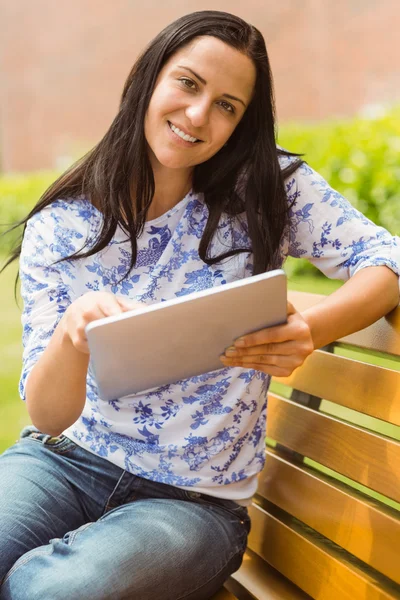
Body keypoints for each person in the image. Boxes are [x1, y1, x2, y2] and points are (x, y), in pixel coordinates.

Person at [0, 10, 399, 600]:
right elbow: (50, 415)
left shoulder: (267, 189)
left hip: (193, 504)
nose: (198, 116)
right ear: (148, 77)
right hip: (64, 462)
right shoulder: (65, 224)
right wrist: (69, 335)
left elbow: (385, 258)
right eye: (188, 84)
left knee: (52, 591)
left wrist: (311, 327)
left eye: (227, 105)